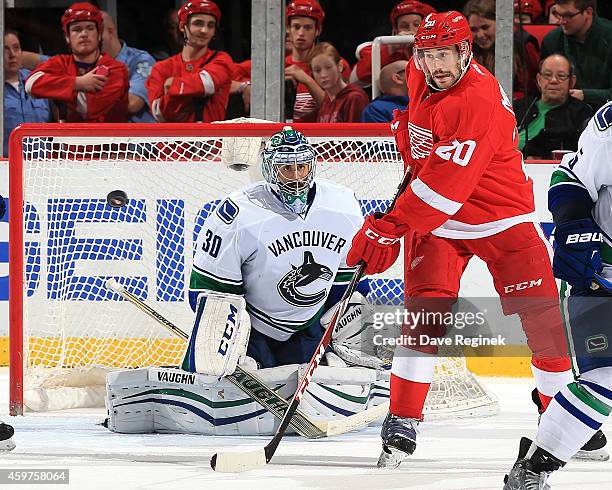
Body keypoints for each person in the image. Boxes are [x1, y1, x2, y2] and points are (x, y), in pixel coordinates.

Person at [345, 10, 586, 469]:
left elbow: (442, 193)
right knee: (423, 316)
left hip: (500, 217)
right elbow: (424, 154)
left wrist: (388, 224)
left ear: (465, 52)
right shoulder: (421, 72)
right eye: (428, 54)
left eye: (445, 55)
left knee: (545, 326)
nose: (435, 65)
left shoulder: (475, 101)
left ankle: (558, 420)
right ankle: (403, 417)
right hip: (439, 224)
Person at [186, 126, 371, 370]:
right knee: (216, 334)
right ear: (270, 170)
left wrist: (332, 339)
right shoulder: (239, 215)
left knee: (360, 309)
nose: (296, 177)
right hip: (251, 330)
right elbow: (205, 294)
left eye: (301, 167)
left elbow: (350, 284)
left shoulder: (343, 206)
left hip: (309, 326)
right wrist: (231, 340)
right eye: (286, 168)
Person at [503, 101, 612, 488]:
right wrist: (572, 225)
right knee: (606, 376)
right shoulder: (610, 124)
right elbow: (571, 179)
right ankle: (532, 469)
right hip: (602, 273)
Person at [24, 2, 128, 123]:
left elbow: (89, 110)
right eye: (77, 30)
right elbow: (31, 85)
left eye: (90, 28)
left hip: (109, 140)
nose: (84, 34)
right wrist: (78, 83)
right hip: (67, 140)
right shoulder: (60, 62)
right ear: (67, 37)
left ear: (99, 35)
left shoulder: (115, 69)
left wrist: (55, 87)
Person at [146, 0, 233, 123]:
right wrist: (189, 90)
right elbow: (159, 113)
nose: (204, 30)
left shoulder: (221, 60)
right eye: (198, 23)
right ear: (182, 26)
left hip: (209, 140)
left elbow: (207, 84)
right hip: (171, 140)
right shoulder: (161, 68)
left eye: (210, 25)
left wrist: (173, 86)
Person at [514, 54, 593, 159]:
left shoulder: (582, 113)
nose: (553, 80)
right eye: (547, 75)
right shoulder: (518, 107)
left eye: (561, 76)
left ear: (572, 81)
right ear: (539, 79)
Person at [284, 0, 351, 122]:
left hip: (320, 137)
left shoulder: (335, 66)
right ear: (288, 29)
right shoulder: (277, 67)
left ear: (318, 30)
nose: (301, 33)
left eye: (308, 27)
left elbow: (337, 110)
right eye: (296, 27)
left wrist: (307, 80)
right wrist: (245, 87)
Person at [541, 0, 612, 110]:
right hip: (563, 113)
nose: (562, 21)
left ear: (588, 12)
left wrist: (585, 95)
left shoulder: (608, 37)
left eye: (568, 15)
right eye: (558, 14)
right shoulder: (551, 41)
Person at [349, 0, 436, 89]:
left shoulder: (439, 48)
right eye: (404, 26)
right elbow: (355, 81)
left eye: (417, 24)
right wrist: (390, 49)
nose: (411, 30)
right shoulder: (379, 46)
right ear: (396, 31)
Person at [465, 0, 540, 100]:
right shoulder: (467, 47)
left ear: (500, 22)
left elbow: (530, 90)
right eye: (473, 30)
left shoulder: (523, 43)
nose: (480, 35)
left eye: (485, 27)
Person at [100, 11, 156, 123]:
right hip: (103, 136)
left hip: (139, 137)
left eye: (95, 32)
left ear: (110, 31)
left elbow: (132, 103)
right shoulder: (87, 64)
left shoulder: (141, 59)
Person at [3, 29, 51, 157]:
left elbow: (61, 65)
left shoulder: (36, 81)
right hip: (6, 170)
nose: (12, 54)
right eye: (5, 49)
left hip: (42, 169)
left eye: (16, 48)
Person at [310, 42, 369, 123]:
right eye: (317, 70)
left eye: (328, 68)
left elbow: (355, 134)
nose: (323, 75)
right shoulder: (326, 100)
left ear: (340, 66)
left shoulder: (354, 98)